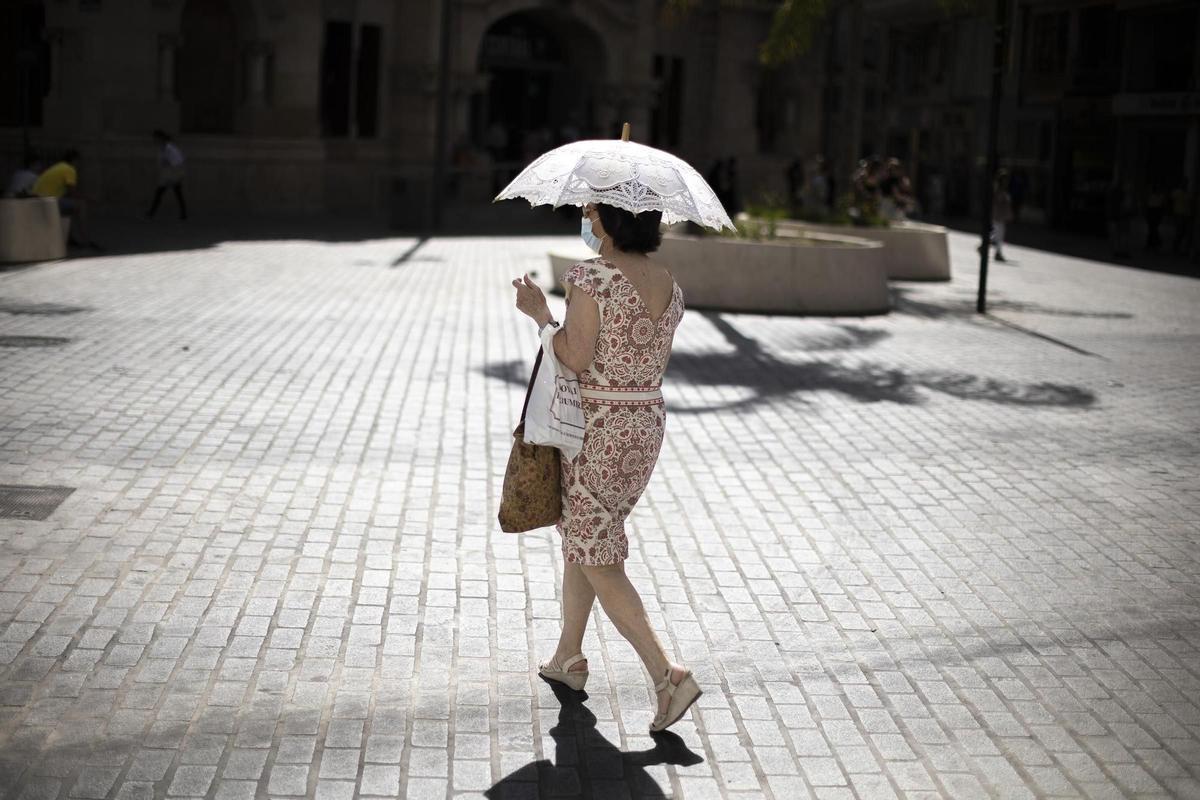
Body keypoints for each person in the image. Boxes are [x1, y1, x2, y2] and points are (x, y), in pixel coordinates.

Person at [509, 202, 701, 733]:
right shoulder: (666, 280)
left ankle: (668, 675)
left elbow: (573, 354)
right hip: (643, 423)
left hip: (596, 426)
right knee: (588, 535)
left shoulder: (592, 277)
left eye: (593, 212)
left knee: (596, 548)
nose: (586, 219)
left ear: (612, 222)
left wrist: (540, 315)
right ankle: (569, 657)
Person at [33, 148, 99, 248]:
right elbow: (72, 192)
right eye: (79, 162)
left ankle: (69, 237)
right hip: (47, 201)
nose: (80, 165)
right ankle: (86, 240)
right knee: (80, 205)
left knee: (70, 208)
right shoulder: (69, 169)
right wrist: (89, 198)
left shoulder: (59, 167)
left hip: (38, 199)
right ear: (74, 160)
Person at [146, 130, 187, 220]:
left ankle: (151, 213)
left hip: (171, 174)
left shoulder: (169, 148)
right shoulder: (164, 148)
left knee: (162, 193)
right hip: (169, 174)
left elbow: (179, 160)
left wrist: (168, 163)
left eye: (156, 138)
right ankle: (183, 213)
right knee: (174, 193)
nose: (154, 140)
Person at [990, 169, 1013, 262]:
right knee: (998, 235)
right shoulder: (999, 191)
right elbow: (998, 203)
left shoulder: (1001, 190)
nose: (1006, 182)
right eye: (1005, 179)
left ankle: (986, 247)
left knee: (997, 235)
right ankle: (997, 253)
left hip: (1000, 216)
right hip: (998, 216)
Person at [1171, 178, 1194, 256]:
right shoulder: (1177, 192)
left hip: (1186, 214)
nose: (1185, 185)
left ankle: (1181, 248)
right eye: (1184, 183)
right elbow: (1172, 200)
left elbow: (1190, 203)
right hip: (1179, 214)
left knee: (1184, 232)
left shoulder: (1188, 193)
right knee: (1179, 232)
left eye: (1186, 183)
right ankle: (1175, 248)